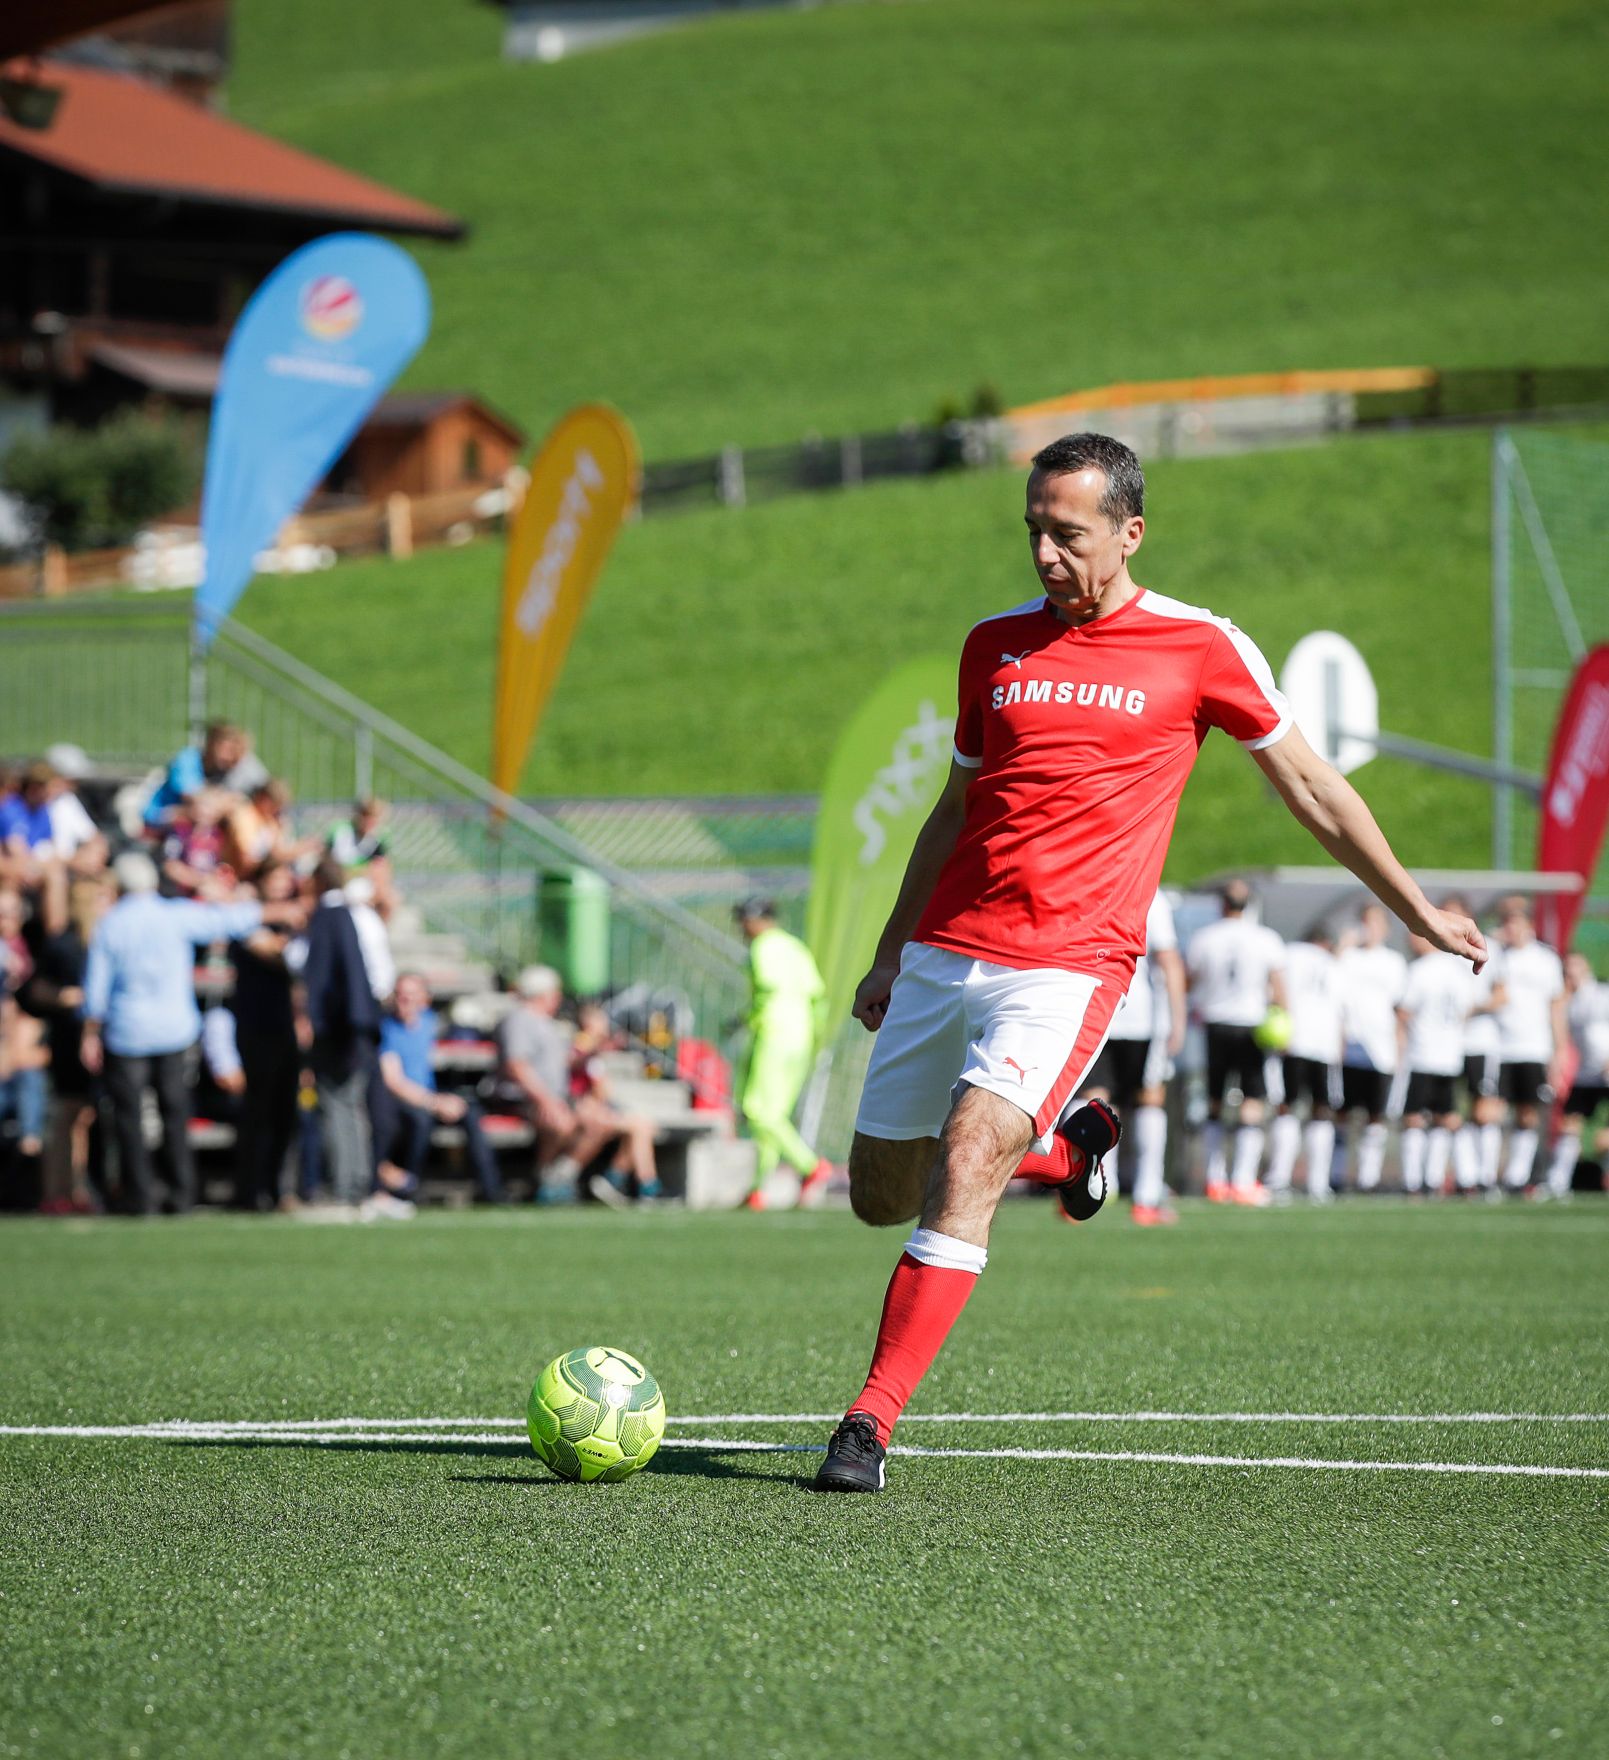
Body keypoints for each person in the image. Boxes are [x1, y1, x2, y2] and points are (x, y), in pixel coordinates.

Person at [810, 430, 1486, 1493]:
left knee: (969, 1155)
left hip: (1070, 960)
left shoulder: (1200, 645)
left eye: (1066, 533)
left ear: (1129, 532)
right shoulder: (992, 645)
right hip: (945, 948)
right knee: (879, 1194)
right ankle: (1069, 1151)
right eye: (1032, 530)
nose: (1045, 553)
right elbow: (952, 808)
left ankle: (867, 1424)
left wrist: (1414, 909)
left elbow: (1312, 787)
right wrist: (892, 950)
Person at [80, 850, 288, 1215]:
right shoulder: (173, 915)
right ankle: (182, 1193)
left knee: (129, 1119)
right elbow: (226, 920)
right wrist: (277, 911)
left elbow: (95, 989)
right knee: (175, 1115)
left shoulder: (111, 924)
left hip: (127, 1032)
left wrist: (90, 1033)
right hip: (173, 1030)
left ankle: (140, 1196)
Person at [1078, 888, 1185, 1225]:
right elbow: (1168, 960)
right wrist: (1178, 1020)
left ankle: (1086, 1189)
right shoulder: (1152, 894)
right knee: (1149, 1099)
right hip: (1142, 1017)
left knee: (1094, 1097)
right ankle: (1146, 1197)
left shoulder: (1096, 883)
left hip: (1095, 1008)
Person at [496, 966, 645, 1204]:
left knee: (602, 1121)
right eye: (554, 993)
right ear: (543, 994)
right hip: (524, 1098)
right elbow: (516, 1067)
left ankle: (561, 1177)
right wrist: (545, 1100)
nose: (558, 998)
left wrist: (595, 1051)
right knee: (561, 1123)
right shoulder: (518, 1020)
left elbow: (566, 1063)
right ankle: (542, 1179)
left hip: (557, 1097)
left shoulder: (548, 1023)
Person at [1186, 879, 1287, 1205]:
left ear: (1222, 905)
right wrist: (1285, 1024)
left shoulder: (1205, 938)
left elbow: (1190, 980)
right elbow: (1278, 987)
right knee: (1252, 1101)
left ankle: (1215, 1179)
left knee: (1215, 1099)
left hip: (1216, 1023)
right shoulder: (1265, 938)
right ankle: (1242, 1180)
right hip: (1251, 1025)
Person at [733, 897, 835, 1211]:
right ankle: (757, 1190)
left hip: (773, 1034)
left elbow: (768, 988)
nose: (741, 928)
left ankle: (811, 1166)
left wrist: (747, 1019)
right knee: (774, 1116)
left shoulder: (762, 946)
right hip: (801, 1037)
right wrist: (815, 1035)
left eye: (744, 920)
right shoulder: (796, 947)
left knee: (757, 1110)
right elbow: (817, 995)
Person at [295, 861, 382, 1215]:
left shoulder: (328, 917)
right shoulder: (354, 915)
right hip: (358, 1027)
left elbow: (320, 974)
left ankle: (346, 1187)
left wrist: (312, 1018)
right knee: (352, 1106)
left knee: (336, 1105)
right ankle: (359, 1182)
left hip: (339, 1029)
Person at [374, 971, 505, 1204]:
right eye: (401, 995)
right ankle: (409, 1189)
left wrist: (445, 1100)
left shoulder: (431, 1023)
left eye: (412, 995)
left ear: (425, 999)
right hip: (402, 1101)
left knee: (471, 1113)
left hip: (432, 1095)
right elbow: (393, 1081)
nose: (406, 1001)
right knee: (420, 1120)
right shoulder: (387, 1029)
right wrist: (434, 1102)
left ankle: (492, 1191)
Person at [229, 862, 302, 1213]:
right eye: (275, 878)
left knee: (285, 1111)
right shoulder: (245, 916)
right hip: (255, 1026)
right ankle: (250, 1190)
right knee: (257, 1111)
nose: (282, 884)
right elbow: (274, 952)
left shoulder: (290, 922)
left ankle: (279, 1188)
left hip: (284, 1026)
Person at [1488, 897, 1566, 1195]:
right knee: (1494, 1111)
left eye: (1516, 922)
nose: (1511, 928)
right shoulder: (1498, 956)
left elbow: (1556, 1007)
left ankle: (1518, 1176)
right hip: (1500, 1046)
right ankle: (1488, 1176)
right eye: (1507, 922)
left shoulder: (1546, 959)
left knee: (1528, 1112)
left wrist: (1559, 1049)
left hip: (1534, 1047)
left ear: (1529, 925)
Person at [1396, 925, 1479, 1197]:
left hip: (1422, 1054)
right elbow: (1467, 1010)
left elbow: (1404, 1012)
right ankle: (1460, 1178)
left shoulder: (1420, 970)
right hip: (1449, 1056)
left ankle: (1413, 1182)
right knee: (1448, 1116)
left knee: (1414, 1117)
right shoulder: (1457, 971)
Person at [1265, 923, 1341, 1202]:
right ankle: (1318, 1183)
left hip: (1292, 1040)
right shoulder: (1333, 963)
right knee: (1321, 1110)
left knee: (1286, 1108)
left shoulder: (1289, 954)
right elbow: (1341, 1008)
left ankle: (1279, 1178)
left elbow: (1273, 991)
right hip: (1325, 1045)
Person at [1333, 903, 1407, 1192]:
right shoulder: (1348, 957)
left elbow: (1399, 1009)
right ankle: (1336, 1175)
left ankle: (1368, 1178)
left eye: (1376, 922)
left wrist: (1399, 1049)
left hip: (1381, 1050)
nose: (1371, 928)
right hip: (1349, 1047)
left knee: (1376, 1116)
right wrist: (1342, 947)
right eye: (1366, 922)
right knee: (1343, 1113)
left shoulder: (1394, 962)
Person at [1543, 950, 1609, 1199]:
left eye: (1576, 966)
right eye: (1567, 968)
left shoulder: (1601, 994)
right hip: (1586, 1073)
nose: (1570, 972)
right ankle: (1557, 1182)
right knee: (1570, 1123)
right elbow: (1561, 1038)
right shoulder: (1566, 1002)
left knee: (1604, 1137)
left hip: (1606, 1070)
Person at [143, 722, 267, 829]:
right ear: (211, 744)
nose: (227, 756)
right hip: (160, 816)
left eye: (232, 751)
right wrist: (226, 801)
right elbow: (195, 800)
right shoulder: (188, 759)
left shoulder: (225, 769)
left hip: (195, 820)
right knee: (202, 813)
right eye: (224, 749)